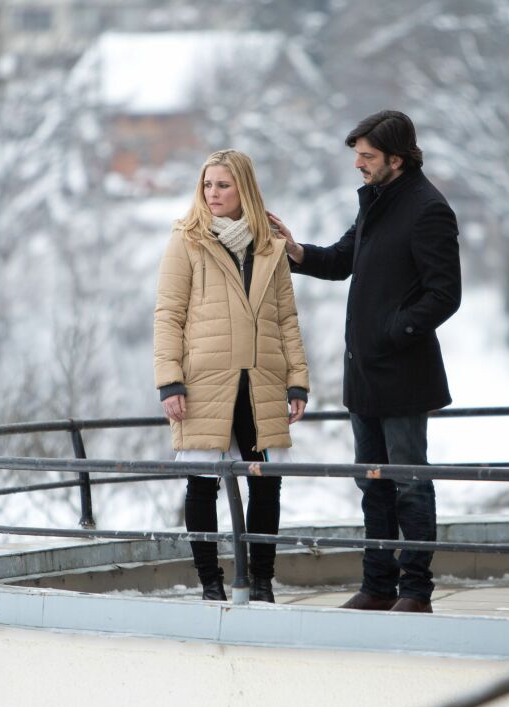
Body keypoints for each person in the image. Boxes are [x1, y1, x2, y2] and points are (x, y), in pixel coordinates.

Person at [268, 110, 460, 614]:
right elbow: (341, 260)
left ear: (397, 159)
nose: (358, 164)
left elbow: (445, 295)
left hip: (404, 374)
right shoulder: (376, 201)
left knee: (409, 484)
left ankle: (416, 592)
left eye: (367, 156)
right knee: (371, 484)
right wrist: (296, 251)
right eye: (358, 155)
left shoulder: (428, 209)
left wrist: (393, 332)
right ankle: (378, 586)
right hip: (364, 373)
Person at [154, 149, 310, 603]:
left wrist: (297, 381)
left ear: (244, 188)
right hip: (204, 381)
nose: (212, 193)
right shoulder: (187, 240)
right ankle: (210, 584)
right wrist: (169, 381)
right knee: (202, 483)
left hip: (262, 380)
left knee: (266, 482)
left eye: (223, 185)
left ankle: (262, 582)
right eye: (207, 185)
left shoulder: (270, 246)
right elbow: (168, 314)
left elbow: (287, 319)